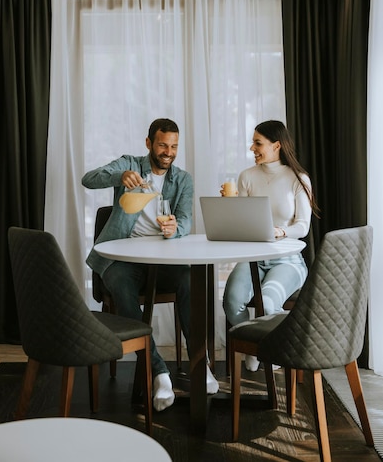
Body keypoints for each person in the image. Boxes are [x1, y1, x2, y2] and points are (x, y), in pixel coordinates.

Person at [83, 118, 219, 411]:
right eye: (162, 145)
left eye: (173, 146)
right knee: (119, 283)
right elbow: (88, 179)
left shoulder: (182, 179)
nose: (168, 152)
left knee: (188, 280)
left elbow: (184, 220)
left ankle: (199, 365)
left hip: (164, 259)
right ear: (149, 144)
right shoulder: (130, 164)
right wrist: (120, 176)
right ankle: (158, 371)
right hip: (125, 259)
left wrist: (175, 229)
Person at [222, 119, 319, 371]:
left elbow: (303, 227)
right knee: (231, 302)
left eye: (258, 143)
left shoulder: (299, 178)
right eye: (252, 142)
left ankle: (273, 351)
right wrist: (230, 205)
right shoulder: (247, 177)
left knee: (267, 301)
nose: (252, 148)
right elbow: (240, 221)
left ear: (276, 146)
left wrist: (281, 231)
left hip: (288, 261)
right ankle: (252, 346)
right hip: (254, 257)